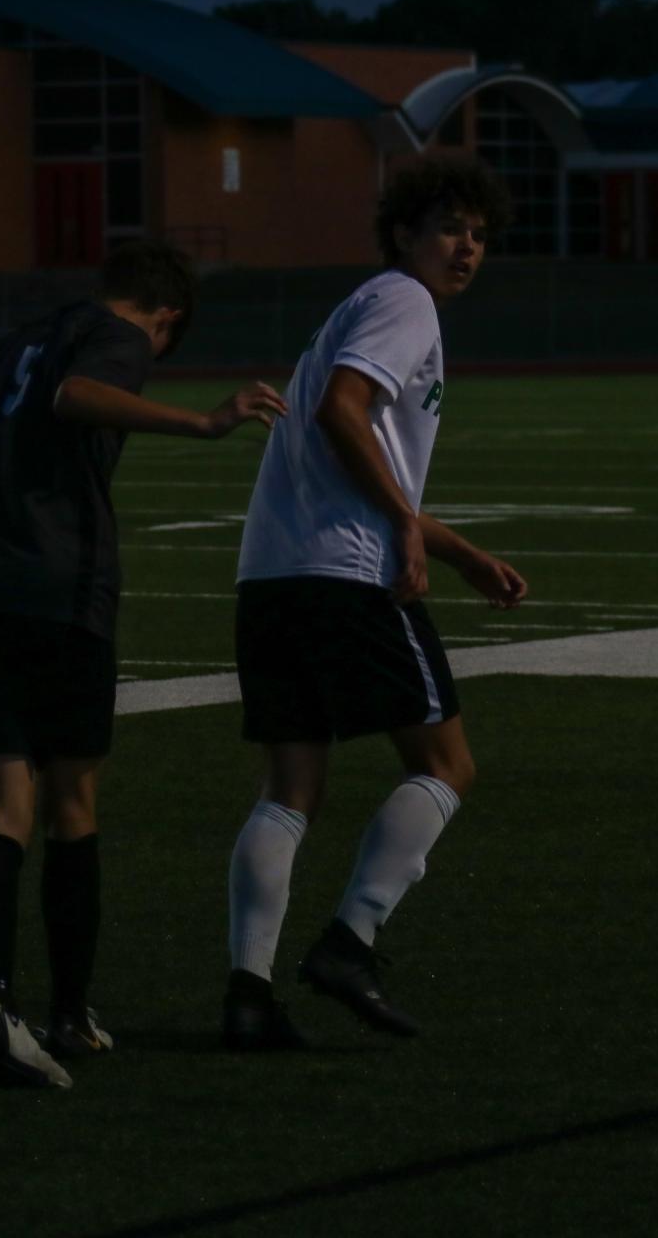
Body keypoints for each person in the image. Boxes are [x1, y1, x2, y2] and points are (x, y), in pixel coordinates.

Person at [0, 241, 286, 1090]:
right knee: (71, 798)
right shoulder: (121, 338)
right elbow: (77, 396)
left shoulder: (30, 334)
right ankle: (69, 1012)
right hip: (60, 586)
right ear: (166, 318)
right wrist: (203, 422)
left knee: (3, 796)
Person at [221, 156, 528, 1050]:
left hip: (272, 577)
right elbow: (344, 413)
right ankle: (350, 941)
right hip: (345, 577)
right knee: (446, 763)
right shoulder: (405, 302)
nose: (467, 245)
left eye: (478, 232)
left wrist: (460, 551)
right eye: (448, 227)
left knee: (290, 790)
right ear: (402, 233)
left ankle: (247, 994)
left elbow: (348, 448)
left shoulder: (359, 306)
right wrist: (403, 527)